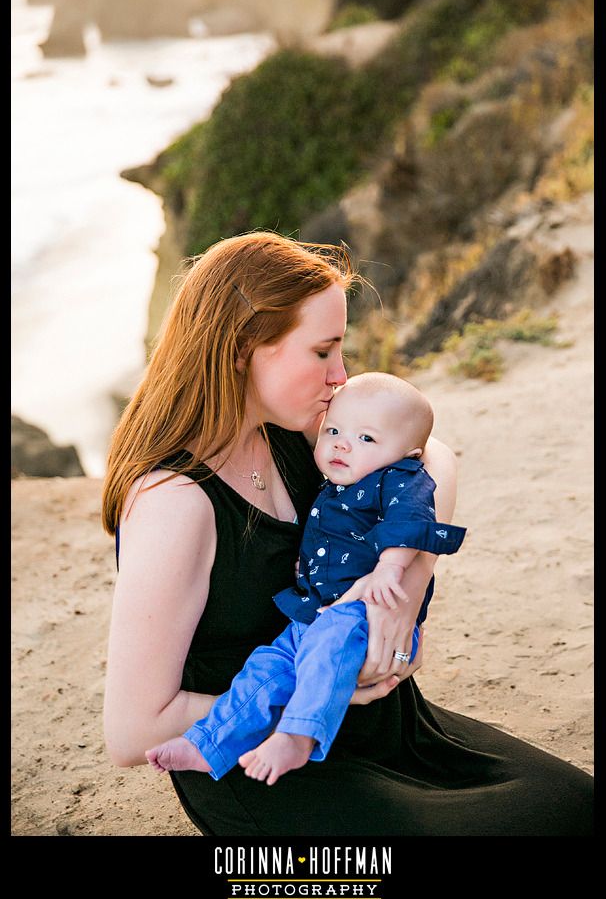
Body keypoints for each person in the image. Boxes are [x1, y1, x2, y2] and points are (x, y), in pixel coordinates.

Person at [102, 231, 593, 836]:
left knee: (575, 807)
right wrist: (320, 695)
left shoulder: (299, 427)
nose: (341, 375)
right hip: (272, 767)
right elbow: (132, 731)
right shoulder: (174, 503)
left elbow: (434, 459)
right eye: (322, 352)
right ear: (241, 349)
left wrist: (401, 597)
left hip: (390, 727)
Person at [144, 372, 466, 785]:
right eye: (333, 430)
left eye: (366, 438)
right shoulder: (337, 477)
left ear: (408, 453)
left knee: (326, 646)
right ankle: (208, 743)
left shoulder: (399, 478)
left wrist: (393, 570)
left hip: (363, 618)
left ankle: (299, 735)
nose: (342, 443)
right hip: (314, 617)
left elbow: (411, 520)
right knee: (268, 667)